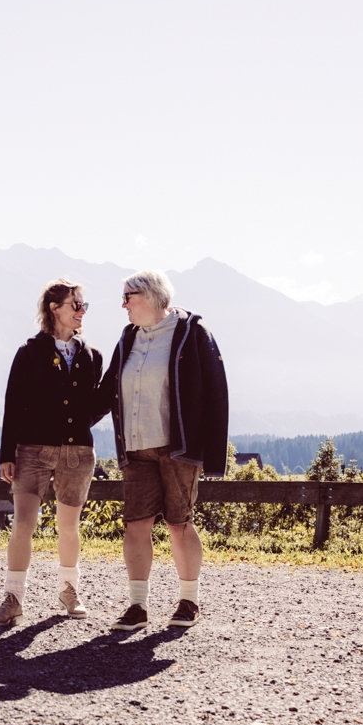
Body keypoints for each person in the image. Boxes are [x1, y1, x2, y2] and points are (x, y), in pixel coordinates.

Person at [103, 270, 228, 630]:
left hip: (178, 448)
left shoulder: (192, 333)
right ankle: (137, 606)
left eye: (128, 297)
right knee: (136, 525)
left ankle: (189, 601)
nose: (123, 305)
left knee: (179, 523)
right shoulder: (128, 338)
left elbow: (216, 392)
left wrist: (210, 453)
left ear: (151, 297)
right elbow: (108, 389)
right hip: (136, 447)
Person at [0, 279, 106, 626]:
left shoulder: (91, 356)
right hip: (32, 451)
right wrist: (8, 452)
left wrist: (80, 423)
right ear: (55, 308)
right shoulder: (29, 352)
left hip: (78, 453)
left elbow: (95, 405)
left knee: (69, 528)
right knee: (24, 523)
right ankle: (13, 598)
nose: (82, 311)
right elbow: (13, 404)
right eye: (76, 305)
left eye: (83, 305)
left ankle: (70, 590)